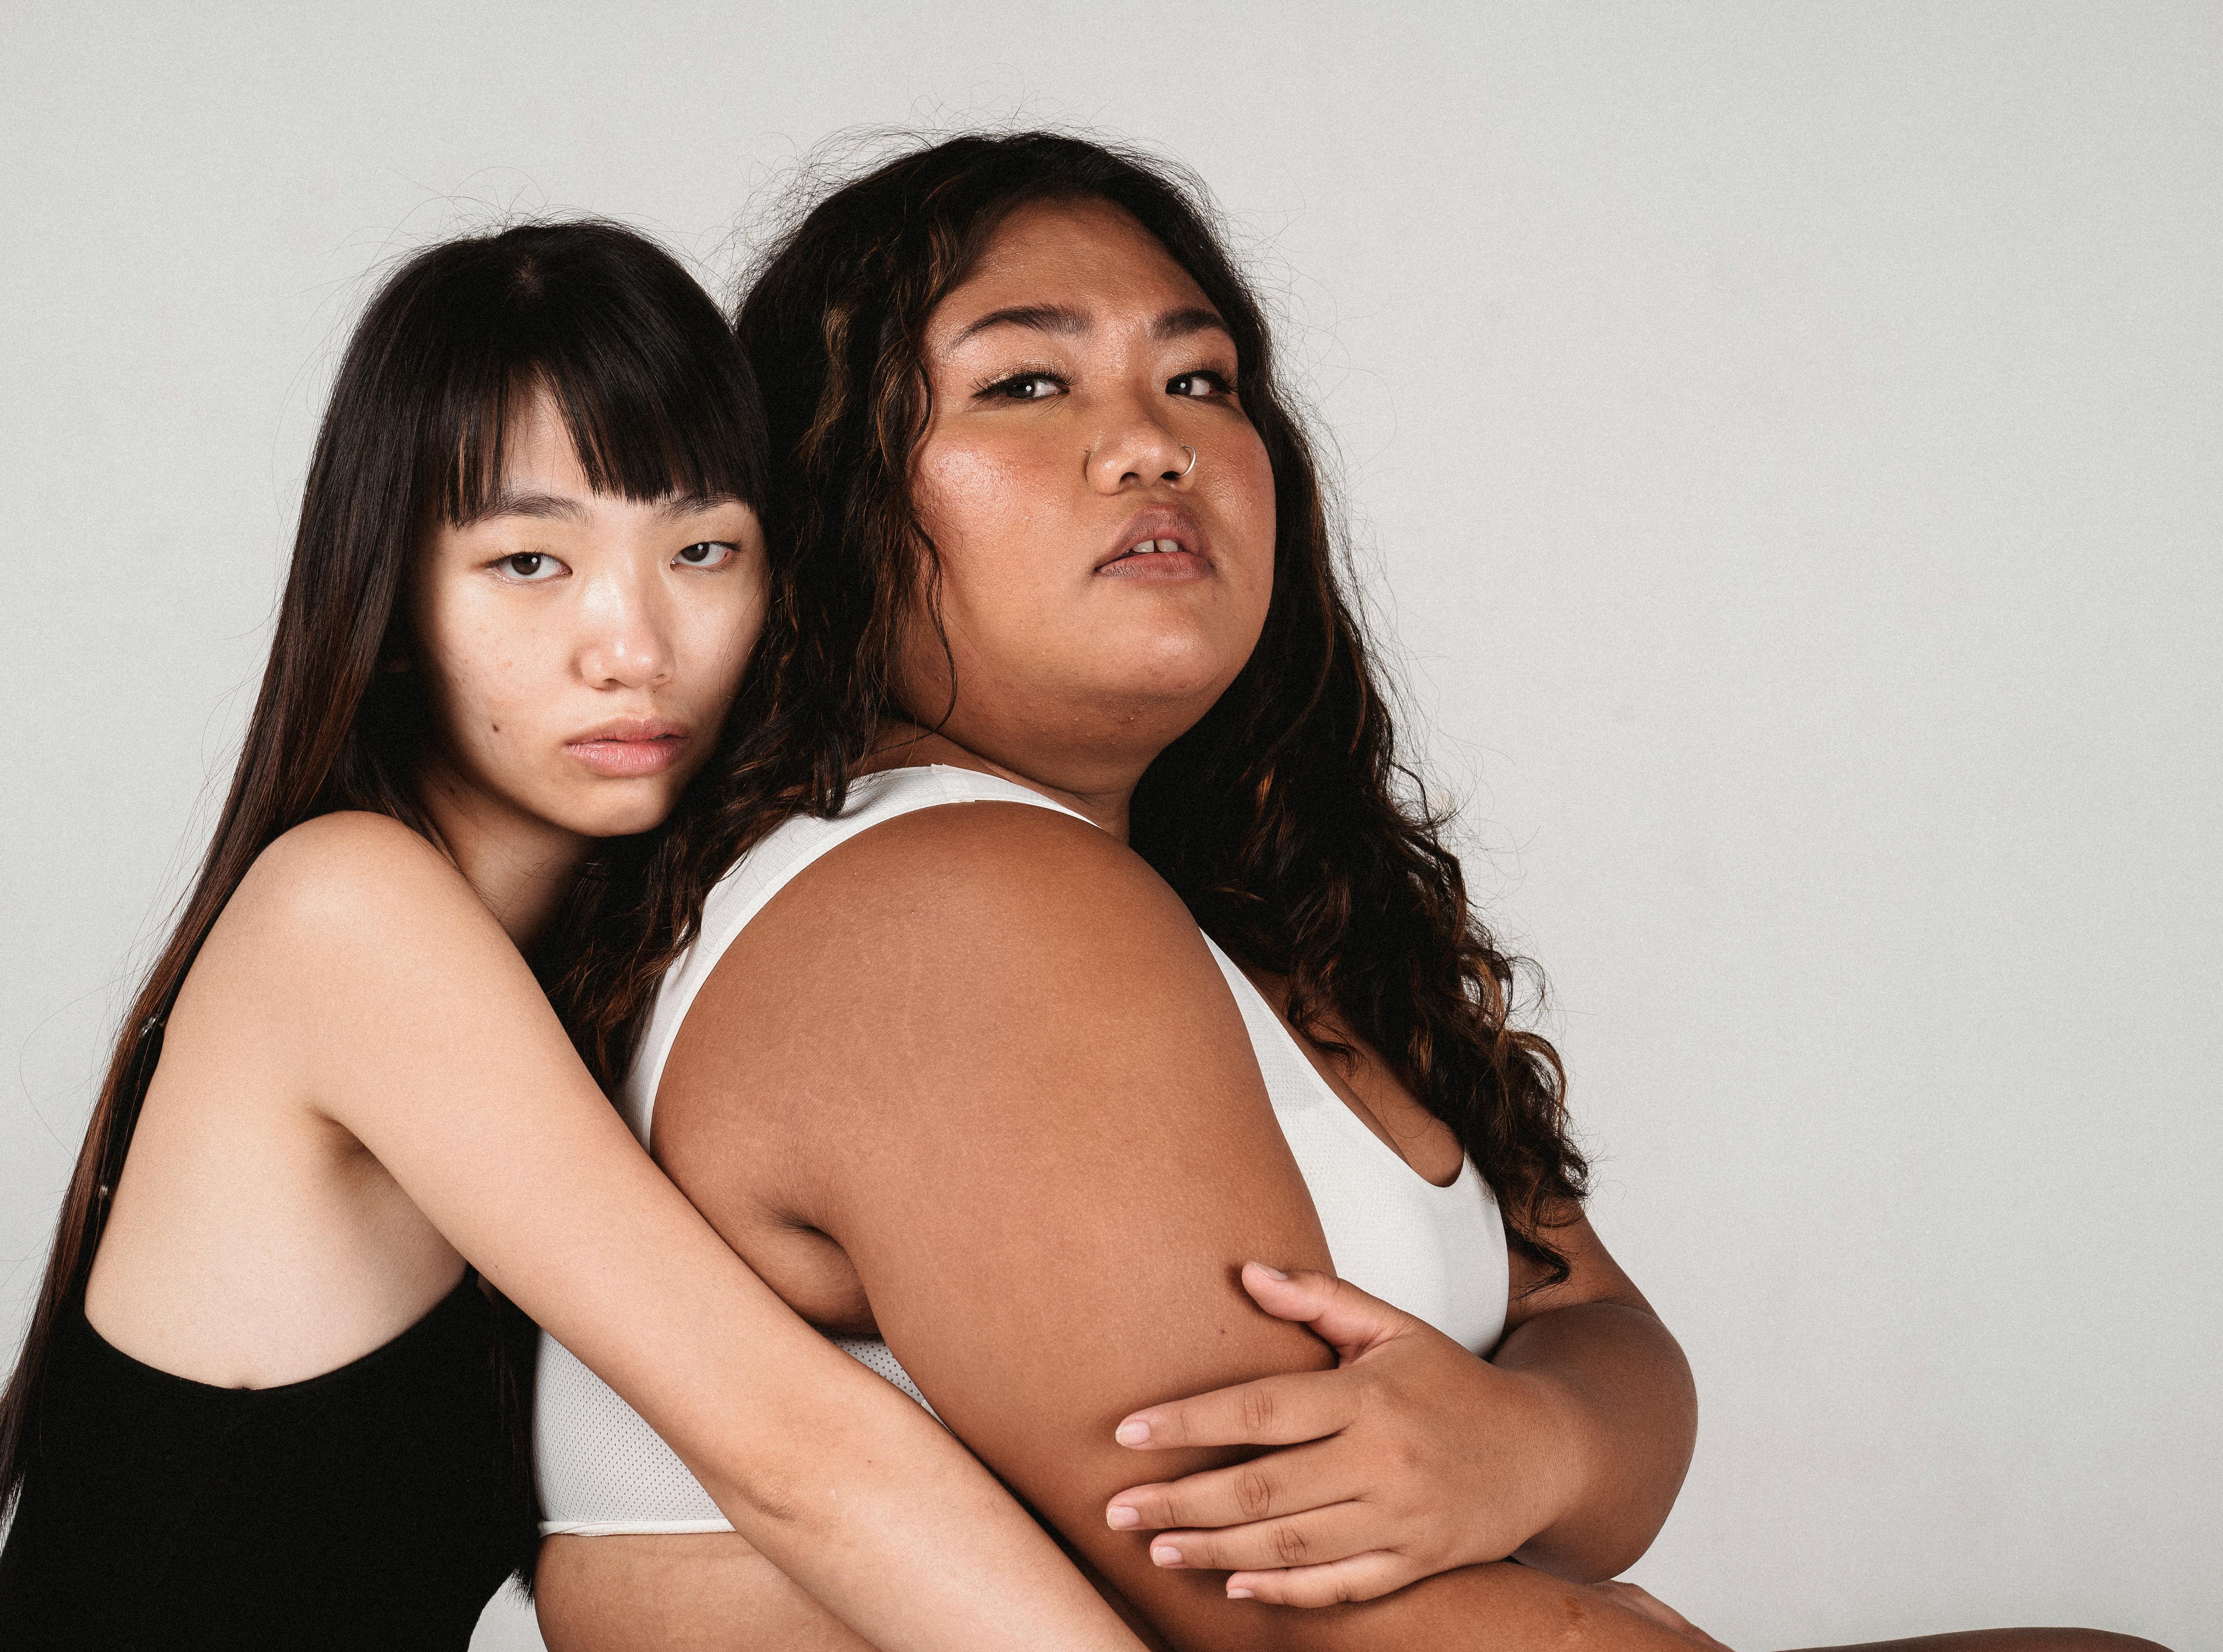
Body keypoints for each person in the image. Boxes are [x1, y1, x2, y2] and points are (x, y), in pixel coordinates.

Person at [529, 133, 2165, 1652]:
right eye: (1027, 380)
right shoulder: (946, 903)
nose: (1153, 438)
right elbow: (1297, 1610)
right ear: (821, 500)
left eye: (1204, 378)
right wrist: (1580, 1522)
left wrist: (1525, 1440)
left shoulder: (1252, 908)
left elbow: (1615, 1347)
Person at [0, 219, 1151, 1652]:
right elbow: (789, 1449)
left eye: (702, 549)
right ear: (391, 606)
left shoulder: (635, 970)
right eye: (528, 564)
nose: (632, 644)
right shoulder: (344, 913)